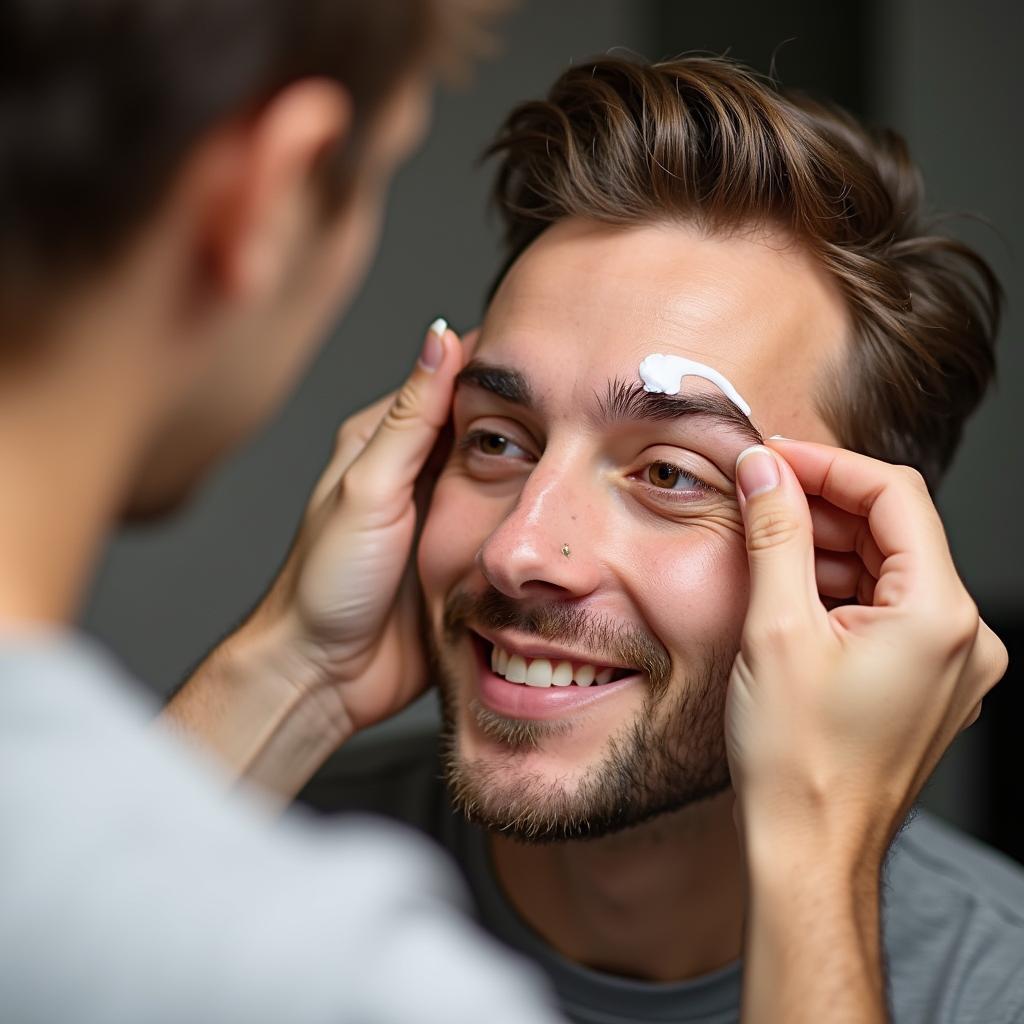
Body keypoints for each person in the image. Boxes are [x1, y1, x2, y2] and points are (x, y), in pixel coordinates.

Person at [0, 0, 1004, 1017]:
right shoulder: (247, 889)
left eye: (668, 474)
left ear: (858, 568)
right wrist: (298, 670)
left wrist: (817, 843)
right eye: (496, 442)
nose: (523, 548)